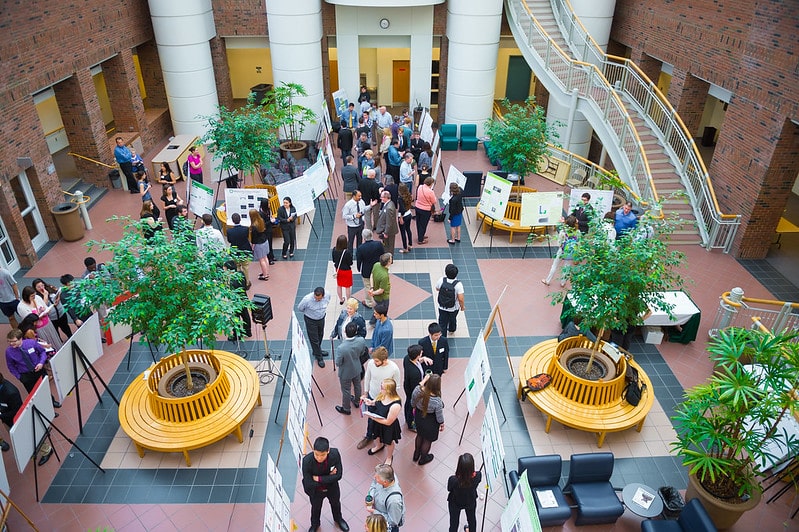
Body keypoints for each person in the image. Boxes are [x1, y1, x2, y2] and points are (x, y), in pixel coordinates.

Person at [0, 372, 53, 464]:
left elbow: (16, 411)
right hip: (7, 419)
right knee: (19, 438)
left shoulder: (11, 392)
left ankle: (47, 450)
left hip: (16, 420)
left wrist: (1, 415)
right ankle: (32, 450)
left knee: (29, 436)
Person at [301, 436, 349, 532]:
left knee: (335, 504)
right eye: (316, 454)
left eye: (322, 455)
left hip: (332, 488)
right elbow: (309, 483)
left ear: (328, 451)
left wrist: (318, 478)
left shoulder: (335, 454)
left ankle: (338, 519)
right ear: (313, 450)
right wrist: (329, 477)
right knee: (315, 508)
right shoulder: (307, 461)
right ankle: (315, 524)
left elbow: (338, 475)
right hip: (316, 491)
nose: (319, 458)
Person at [5, 329, 61, 409]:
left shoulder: (31, 343)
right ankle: (45, 409)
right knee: (34, 394)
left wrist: (41, 363)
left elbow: (42, 352)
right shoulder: (9, 352)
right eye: (9, 341)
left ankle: (51, 402)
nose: (11, 343)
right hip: (26, 375)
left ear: (20, 338)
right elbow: (10, 366)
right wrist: (19, 377)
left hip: (39, 370)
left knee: (45, 388)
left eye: (14, 341)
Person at [358, 347, 400, 450]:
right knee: (371, 419)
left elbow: (396, 386)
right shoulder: (371, 363)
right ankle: (369, 436)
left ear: (385, 360)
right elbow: (367, 377)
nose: (374, 362)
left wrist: (390, 400)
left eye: (377, 361)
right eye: (374, 360)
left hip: (385, 401)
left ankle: (383, 440)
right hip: (372, 395)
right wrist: (365, 393)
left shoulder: (394, 369)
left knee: (383, 420)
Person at [361, 378, 402, 465]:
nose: (380, 389)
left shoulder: (395, 404)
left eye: (382, 388)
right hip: (378, 421)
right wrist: (370, 402)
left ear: (388, 390)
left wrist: (372, 417)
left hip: (388, 427)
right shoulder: (382, 394)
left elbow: (388, 422)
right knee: (377, 436)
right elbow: (376, 403)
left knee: (389, 442)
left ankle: (389, 457)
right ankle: (379, 446)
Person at [334, 321, 367, 415]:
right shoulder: (361, 340)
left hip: (345, 372)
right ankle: (357, 401)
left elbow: (338, 362)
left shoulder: (342, 348)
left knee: (346, 390)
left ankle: (346, 408)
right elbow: (362, 353)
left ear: (345, 331)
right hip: (357, 367)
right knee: (357, 385)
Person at [411, 373, 444, 465]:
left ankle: (416, 454)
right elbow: (439, 416)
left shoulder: (417, 390)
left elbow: (412, 402)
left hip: (419, 417)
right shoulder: (437, 401)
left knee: (419, 435)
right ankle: (423, 459)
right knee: (427, 440)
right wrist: (442, 423)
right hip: (430, 422)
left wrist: (424, 379)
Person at [17, 286, 63, 352]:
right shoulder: (21, 307)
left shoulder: (37, 298)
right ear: (26, 296)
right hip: (38, 329)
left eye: (34, 295)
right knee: (45, 343)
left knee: (54, 339)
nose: (34, 297)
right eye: (32, 296)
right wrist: (40, 314)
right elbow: (29, 319)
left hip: (47, 324)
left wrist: (45, 310)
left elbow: (45, 307)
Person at [447, 453, 481, 532]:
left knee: (454, 523)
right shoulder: (478, 476)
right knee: (472, 520)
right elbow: (477, 476)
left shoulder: (453, 480)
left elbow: (449, 489)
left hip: (455, 502)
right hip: (470, 501)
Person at [542, 215, 579, 287]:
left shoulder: (563, 232)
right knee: (567, 267)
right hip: (571, 252)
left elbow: (559, 243)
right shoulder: (577, 232)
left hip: (562, 251)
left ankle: (548, 280)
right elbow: (578, 243)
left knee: (554, 265)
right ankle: (563, 282)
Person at [402, 344, 433, 431]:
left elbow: (417, 360)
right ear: (417, 355)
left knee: (408, 402)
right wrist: (426, 379)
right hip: (412, 390)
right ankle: (411, 424)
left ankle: (407, 418)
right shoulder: (415, 373)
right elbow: (418, 387)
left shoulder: (407, 358)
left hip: (407, 386)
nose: (422, 353)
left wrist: (423, 359)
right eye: (421, 353)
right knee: (411, 405)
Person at [298, 287, 331, 367]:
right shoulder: (307, 299)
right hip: (311, 320)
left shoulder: (328, 295)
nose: (317, 300)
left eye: (319, 299)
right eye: (316, 298)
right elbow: (300, 308)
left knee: (320, 335)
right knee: (314, 339)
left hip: (321, 318)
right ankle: (319, 357)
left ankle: (316, 350)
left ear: (323, 296)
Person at [367, 464, 405, 532]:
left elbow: (393, 521)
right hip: (378, 518)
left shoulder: (394, 501)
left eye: (377, 477)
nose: (374, 477)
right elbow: (374, 484)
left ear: (385, 482)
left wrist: (374, 511)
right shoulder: (387, 476)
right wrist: (371, 496)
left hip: (386, 526)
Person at [356, 229, 385, 309]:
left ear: (363, 237)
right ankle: (379, 300)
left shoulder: (361, 248)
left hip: (366, 271)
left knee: (368, 287)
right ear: (371, 235)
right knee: (378, 285)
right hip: (378, 270)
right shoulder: (379, 244)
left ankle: (369, 302)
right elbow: (383, 255)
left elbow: (359, 260)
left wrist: (359, 268)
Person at [224, 260, 251, 341]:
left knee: (236, 317)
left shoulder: (232, 281)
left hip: (235, 301)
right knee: (245, 315)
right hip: (243, 298)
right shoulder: (241, 274)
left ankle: (236, 334)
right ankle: (248, 331)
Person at [435, 264, 465, 337]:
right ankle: (452, 330)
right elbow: (460, 298)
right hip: (453, 308)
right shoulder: (458, 284)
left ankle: (443, 337)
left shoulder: (441, 280)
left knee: (442, 322)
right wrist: (462, 306)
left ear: (446, 272)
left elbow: (437, 288)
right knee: (453, 319)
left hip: (442, 306)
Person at [342, 189, 375, 254]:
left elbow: (364, 209)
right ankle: (350, 255)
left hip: (360, 224)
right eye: (358, 196)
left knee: (360, 240)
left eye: (360, 196)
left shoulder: (361, 201)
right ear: (354, 196)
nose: (360, 197)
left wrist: (370, 206)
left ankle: (358, 253)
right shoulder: (348, 205)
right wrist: (354, 216)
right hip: (352, 226)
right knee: (350, 241)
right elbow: (344, 216)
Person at [226, 212, 252, 289]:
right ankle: (247, 282)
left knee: (237, 267)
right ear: (240, 220)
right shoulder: (245, 229)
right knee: (245, 267)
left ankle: (238, 283)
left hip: (235, 251)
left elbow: (229, 241)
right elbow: (246, 238)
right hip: (244, 251)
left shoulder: (229, 231)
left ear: (233, 221)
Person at [368, 254, 392, 325]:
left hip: (376, 295)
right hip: (383, 297)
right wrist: (373, 293)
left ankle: (373, 321)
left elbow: (371, 275)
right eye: (390, 259)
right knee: (382, 310)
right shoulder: (384, 276)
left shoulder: (376, 265)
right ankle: (377, 322)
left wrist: (372, 288)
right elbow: (381, 290)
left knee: (377, 308)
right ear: (388, 262)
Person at [248, 209, 271, 282]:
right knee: (265, 258)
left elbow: (254, 239)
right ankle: (266, 272)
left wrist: (252, 246)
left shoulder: (253, 226)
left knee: (261, 260)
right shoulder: (261, 220)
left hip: (259, 244)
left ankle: (265, 275)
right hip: (265, 241)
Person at [415, 177, 438, 245]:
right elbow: (434, 201)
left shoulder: (420, 187)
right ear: (430, 184)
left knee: (418, 223)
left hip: (417, 207)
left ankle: (420, 235)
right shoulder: (430, 192)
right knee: (423, 224)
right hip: (425, 210)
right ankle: (420, 240)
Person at [332, 235, 354, 304]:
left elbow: (334, 260)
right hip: (347, 271)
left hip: (338, 271)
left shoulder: (334, 250)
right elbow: (350, 263)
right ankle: (348, 301)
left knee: (339, 285)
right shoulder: (347, 252)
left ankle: (341, 300)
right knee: (347, 287)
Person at [396, 184, 414, 254]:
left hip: (403, 216)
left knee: (403, 232)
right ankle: (410, 244)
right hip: (409, 214)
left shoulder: (400, 198)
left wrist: (400, 217)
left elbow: (402, 209)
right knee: (408, 229)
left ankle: (405, 248)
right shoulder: (408, 195)